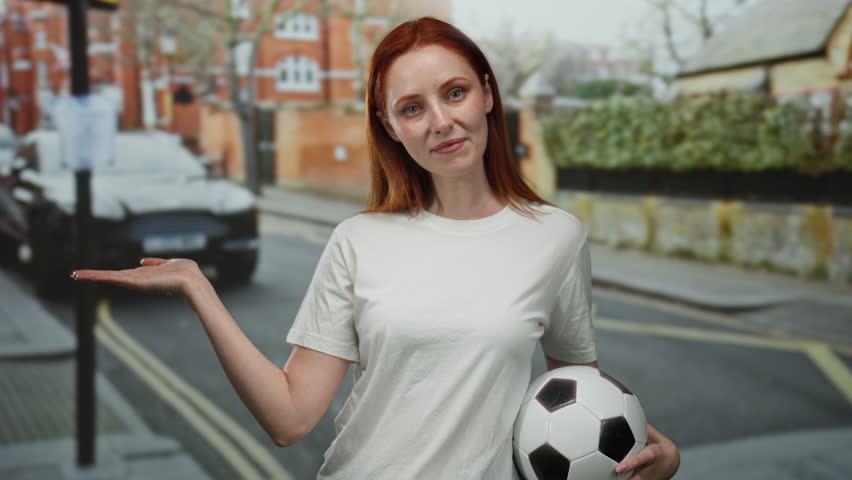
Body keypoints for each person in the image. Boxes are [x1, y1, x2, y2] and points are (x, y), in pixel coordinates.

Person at [71, 17, 680, 480]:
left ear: (488, 93)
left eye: (455, 93)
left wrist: (656, 455)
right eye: (412, 108)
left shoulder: (557, 236)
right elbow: (290, 419)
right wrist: (198, 289)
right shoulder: (358, 241)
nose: (439, 121)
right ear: (391, 126)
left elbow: (579, 396)